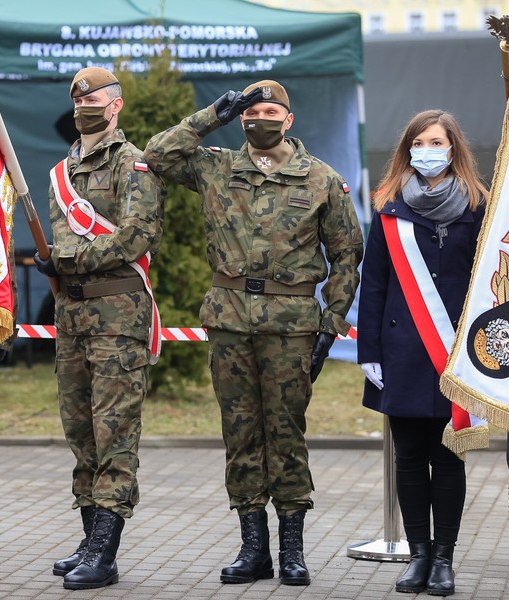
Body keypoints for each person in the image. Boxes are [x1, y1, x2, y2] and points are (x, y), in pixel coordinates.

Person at [144, 80, 363, 586]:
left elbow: (346, 255)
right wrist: (213, 114)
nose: (257, 119)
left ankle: (292, 549)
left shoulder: (321, 179)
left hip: (291, 325)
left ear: (288, 120)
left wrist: (332, 322)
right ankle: (253, 547)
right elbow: (157, 154)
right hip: (229, 319)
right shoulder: (217, 166)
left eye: (268, 111)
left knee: (286, 433)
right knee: (240, 432)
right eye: (250, 112)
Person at [32, 66, 164, 590]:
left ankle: (105, 550)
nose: (87, 105)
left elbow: (138, 236)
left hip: (117, 318)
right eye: (79, 99)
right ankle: (90, 540)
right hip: (72, 319)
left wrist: (63, 258)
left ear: (116, 106)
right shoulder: (62, 171)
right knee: (80, 433)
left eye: (97, 99)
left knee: (115, 435)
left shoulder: (136, 165)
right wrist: (55, 266)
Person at [358, 110, 487, 596]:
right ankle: (417, 556)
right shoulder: (389, 206)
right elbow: (374, 283)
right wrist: (369, 349)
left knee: (448, 457)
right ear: (407, 149)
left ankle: (444, 560)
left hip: (457, 351)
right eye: (419, 141)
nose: (427, 149)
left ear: (453, 148)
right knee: (409, 457)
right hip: (402, 352)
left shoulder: (479, 206)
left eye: (437, 141)